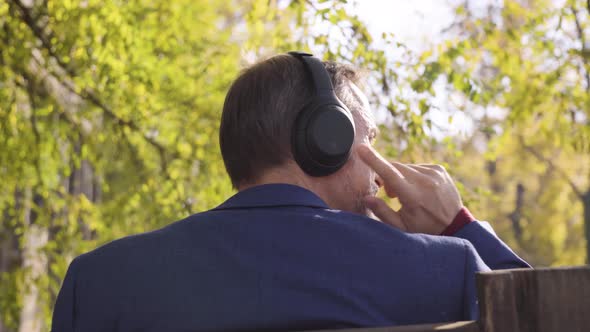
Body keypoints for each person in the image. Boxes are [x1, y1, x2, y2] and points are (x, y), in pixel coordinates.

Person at [51, 52, 530, 332]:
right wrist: (457, 224)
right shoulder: (444, 268)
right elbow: (548, 313)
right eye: (371, 139)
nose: (381, 174)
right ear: (327, 139)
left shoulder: (94, 284)